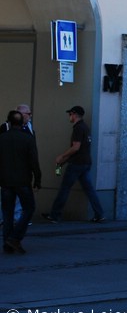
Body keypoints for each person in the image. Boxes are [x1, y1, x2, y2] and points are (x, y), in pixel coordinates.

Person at [42, 106, 105, 223]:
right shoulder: (85, 127)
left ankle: (55, 215)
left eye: (70, 114)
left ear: (74, 114)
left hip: (76, 164)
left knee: (64, 189)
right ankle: (99, 214)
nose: (69, 117)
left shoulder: (78, 128)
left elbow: (76, 147)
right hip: (85, 163)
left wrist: (62, 156)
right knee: (89, 190)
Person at [0, 110, 41, 254]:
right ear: (21, 123)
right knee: (29, 208)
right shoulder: (27, 138)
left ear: (9, 122)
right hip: (23, 180)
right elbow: (34, 161)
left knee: (7, 213)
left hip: (5, 181)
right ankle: (14, 238)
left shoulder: (2, 138)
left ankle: (8, 243)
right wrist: (38, 179)